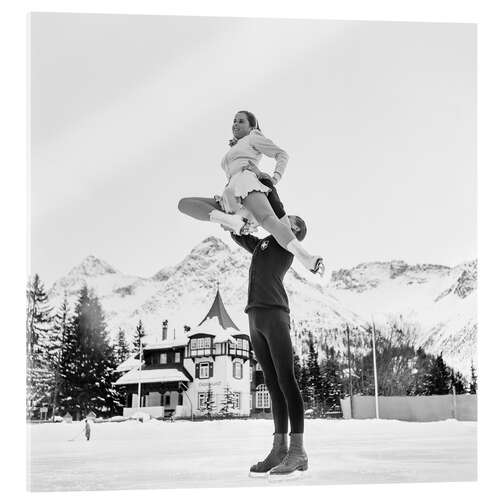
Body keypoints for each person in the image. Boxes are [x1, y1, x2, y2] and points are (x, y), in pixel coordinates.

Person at [225, 179, 309, 481]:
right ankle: (278, 449)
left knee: (287, 380)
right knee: (272, 385)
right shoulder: (263, 245)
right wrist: (229, 218)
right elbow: (242, 237)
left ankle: (298, 452)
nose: (288, 220)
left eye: (293, 221)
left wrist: (266, 185)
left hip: (274, 314)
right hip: (254, 317)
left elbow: (277, 210)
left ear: (295, 230)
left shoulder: (288, 244)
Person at [178, 110, 324, 275]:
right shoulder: (237, 146)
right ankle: (233, 221)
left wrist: (274, 178)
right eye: (234, 120)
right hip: (230, 193)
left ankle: (307, 258)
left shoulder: (253, 138)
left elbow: (282, 155)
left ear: (252, 126)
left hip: (245, 183)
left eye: (241, 121)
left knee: (268, 219)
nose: (235, 124)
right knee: (184, 204)